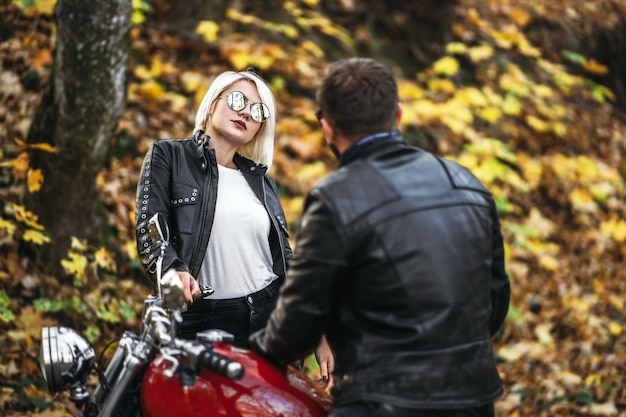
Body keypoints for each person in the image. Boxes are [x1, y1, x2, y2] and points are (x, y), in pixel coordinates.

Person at [249, 57, 511, 417]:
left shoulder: (335, 198)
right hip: (473, 400)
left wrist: (252, 351)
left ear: (328, 129)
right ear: (398, 115)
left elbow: (298, 323)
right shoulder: (467, 183)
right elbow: (494, 301)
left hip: (381, 402)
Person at [135, 69, 334, 387]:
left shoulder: (261, 181)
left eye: (257, 111)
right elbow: (150, 227)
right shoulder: (169, 156)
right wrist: (171, 269)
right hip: (200, 321)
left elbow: (285, 260)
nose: (245, 111)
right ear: (212, 104)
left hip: (268, 321)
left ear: (258, 129)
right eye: (238, 99)